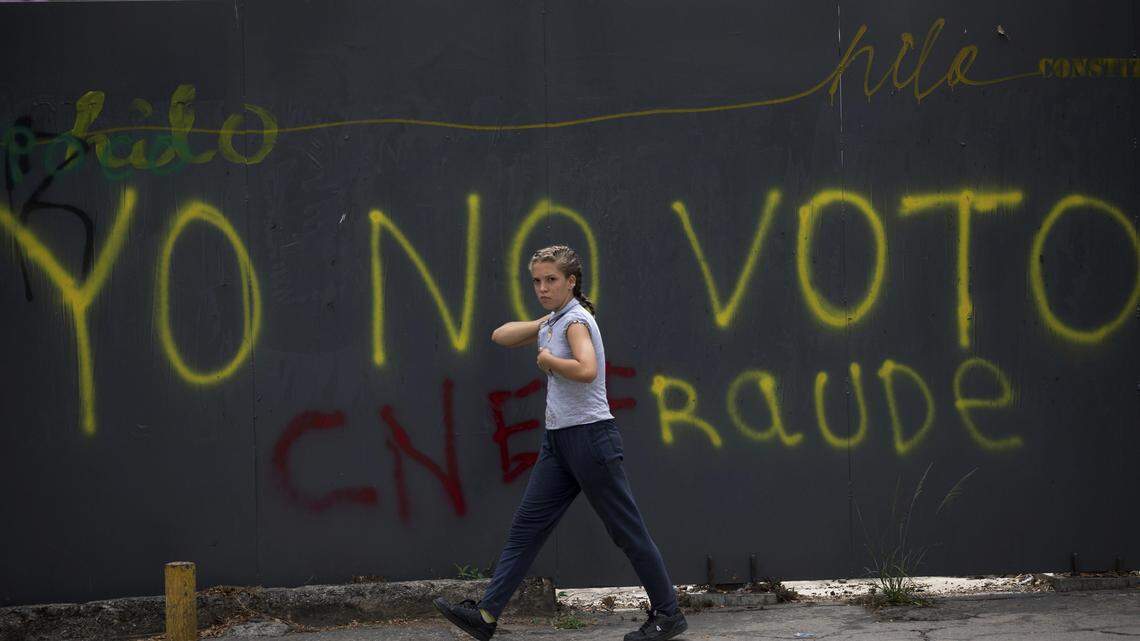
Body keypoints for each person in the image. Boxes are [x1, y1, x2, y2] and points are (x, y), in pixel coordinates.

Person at [433, 245, 688, 641]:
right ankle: (485, 615)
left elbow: (587, 369)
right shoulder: (557, 319)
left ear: (571, 281)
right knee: (526, 528)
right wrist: (544, 321)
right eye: (537, 281)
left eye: (551, 280)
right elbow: (500, 335)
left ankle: (668, 613)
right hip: (559, 443)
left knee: (627, 531)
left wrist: (550, 360)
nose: (542, 287)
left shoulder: (576, 322)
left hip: (590, 439)